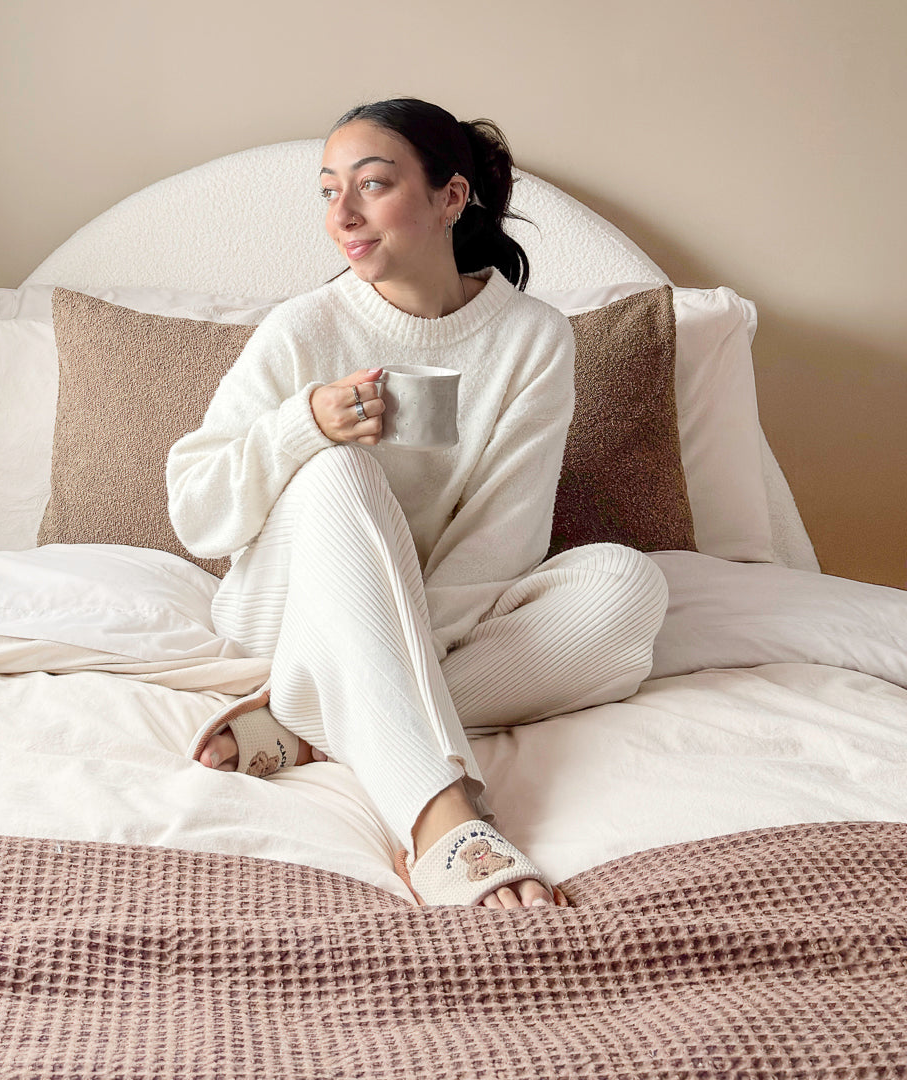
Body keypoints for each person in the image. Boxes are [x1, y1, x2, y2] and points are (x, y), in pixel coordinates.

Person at [166, 98, 668, 909]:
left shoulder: (533, 339)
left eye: (371, 184)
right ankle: (437, 812)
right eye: (329, 191)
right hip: (286, 612)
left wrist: (390, 657)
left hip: (442, 616)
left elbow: (503, 540)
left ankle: (309, 717)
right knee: (340, 476)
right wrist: (304, 427)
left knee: (626, 587)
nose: (345, 214)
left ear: (451, 198)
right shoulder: (304, 329)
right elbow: (196, 510)